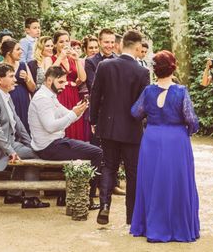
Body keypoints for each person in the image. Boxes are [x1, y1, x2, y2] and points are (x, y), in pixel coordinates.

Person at [129, 51, 200, 242]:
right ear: (173, 67)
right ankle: (178, 228)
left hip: (152, 138)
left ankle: (151, 226)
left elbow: (135, 112)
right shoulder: (181, 91)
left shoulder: (148, 91)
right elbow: (192, 120)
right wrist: (188, 131)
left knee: (152, 183)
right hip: (176, 140)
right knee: (177, 183)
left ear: (155, 69)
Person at [89, 30, 150, 225]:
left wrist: (93, 121)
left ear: (121, 44)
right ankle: (131, 216)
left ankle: (105, 206)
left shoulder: (104, 65)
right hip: (132, 129)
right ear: (138, 47)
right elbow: (143, 105)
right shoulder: (142, 72)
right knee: (133, 172)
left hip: (108, 125)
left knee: (109, 167)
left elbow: (95, 95)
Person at [0, 63, 49, 208]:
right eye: (11, 76)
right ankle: (30, 198)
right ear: (0, 80)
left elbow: (17, 122)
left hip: (7, 142)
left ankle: (13, 194)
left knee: (33, 150)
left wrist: (30, 143)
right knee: (34, 155)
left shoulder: (4, 95)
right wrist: (10, 151)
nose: (15, 80)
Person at [28, 65, 104, 210]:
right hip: (48, 147)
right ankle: (87, 198)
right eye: (61, 82)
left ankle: (66, 196)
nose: (64, 85)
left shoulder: (50, 96)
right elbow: (50, 126)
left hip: (53, 143)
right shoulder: (43, 99)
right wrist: (73, 114)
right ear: (49, 80)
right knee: (97, 152)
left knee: (91, 151)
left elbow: (67, 114)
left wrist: (79, 110)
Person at [51, 30, 87, 140]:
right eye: (61, 42)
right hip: (59, 94)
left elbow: (82, 78)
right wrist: (60, 57)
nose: (65, 44)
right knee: (62, 122)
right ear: (55, 44)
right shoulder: (50, 59)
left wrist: (77, 60)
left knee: (75, 123)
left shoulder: (73, 59)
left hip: (73, 94)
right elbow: (50, 75)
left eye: (67, 41)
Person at [0, 39, 36, 134]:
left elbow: (32, 88)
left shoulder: (23, 65)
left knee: (25, 128)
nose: (21, 52)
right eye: (18, 49)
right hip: (7, 101)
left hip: (23, 102)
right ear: (9, 53)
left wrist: (27, 79)